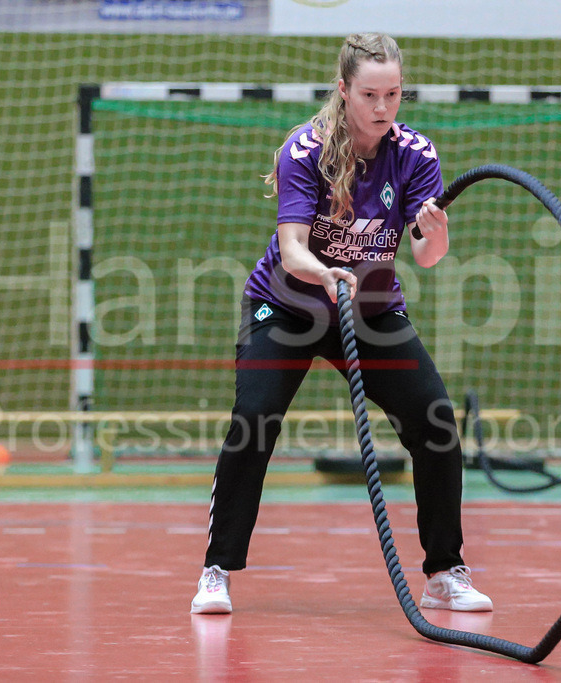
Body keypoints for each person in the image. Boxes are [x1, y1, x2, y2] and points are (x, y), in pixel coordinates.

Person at [191, 33, 493, 614]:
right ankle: (215, 571)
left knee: (435, 424)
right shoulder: (305, 151)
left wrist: (439, 238)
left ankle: (444, 572)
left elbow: (424, 254)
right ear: (344, 90)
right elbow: (293, 250)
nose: (383, 108)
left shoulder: (415, 155)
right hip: (288, 306)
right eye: (370, 94)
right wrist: (330, 276)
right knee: (254, 421)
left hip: (372, 311)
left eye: (394, 94)